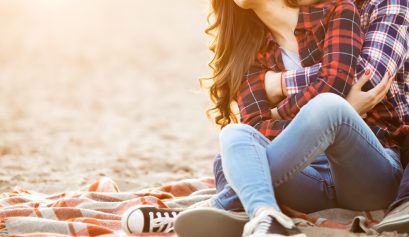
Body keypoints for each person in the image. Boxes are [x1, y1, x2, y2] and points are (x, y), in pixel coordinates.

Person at [121, 0, 409, 236]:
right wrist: (309, 126)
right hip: (305, 179)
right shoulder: (245, 54)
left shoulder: (335, 11)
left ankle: (212, 206)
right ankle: (267, 216)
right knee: (235, 136)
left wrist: (276, 93)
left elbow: (338, 82)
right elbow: (254, 125)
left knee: (328, 108)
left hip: (367, 175)